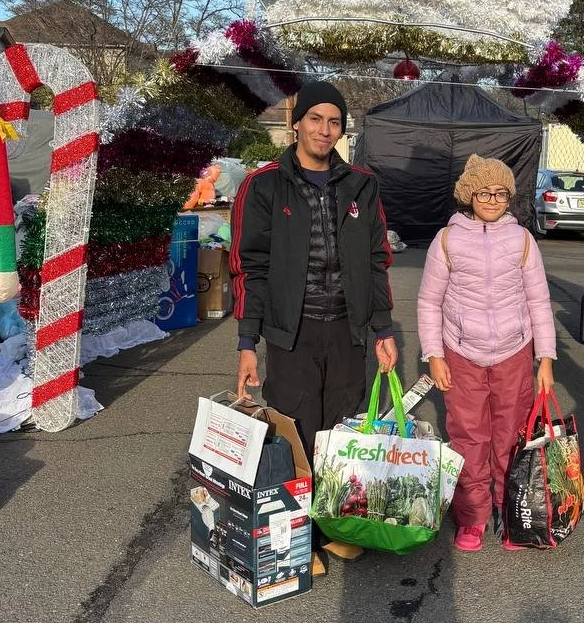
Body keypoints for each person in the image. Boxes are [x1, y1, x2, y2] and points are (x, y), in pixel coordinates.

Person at [230, 80, 398, 564]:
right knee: (296, 430)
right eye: (316, 119)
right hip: (292, 332)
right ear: (296, 122)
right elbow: (249, 266)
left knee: (341, 432)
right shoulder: (262, 185)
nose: (325, 130)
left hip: (347, 328)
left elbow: (376, 258)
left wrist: (382, 329)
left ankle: (331, 526)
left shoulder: (361, 185)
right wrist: (247, 342)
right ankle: (294, 537)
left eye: (335, 122)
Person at [417, 155, 557, 552]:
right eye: (484, 192)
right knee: (468, 438)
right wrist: (434, 354)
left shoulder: (522, 240)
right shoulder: (446, 240)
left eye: (500, 193)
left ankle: (511, 513)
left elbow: (539, 302)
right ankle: (474, 517)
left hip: (515, 351)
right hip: (460, 353)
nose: (492, 200)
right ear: (469, 195)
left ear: (509, 196)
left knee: (511, 437)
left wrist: (545, 358)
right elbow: (429, 302)